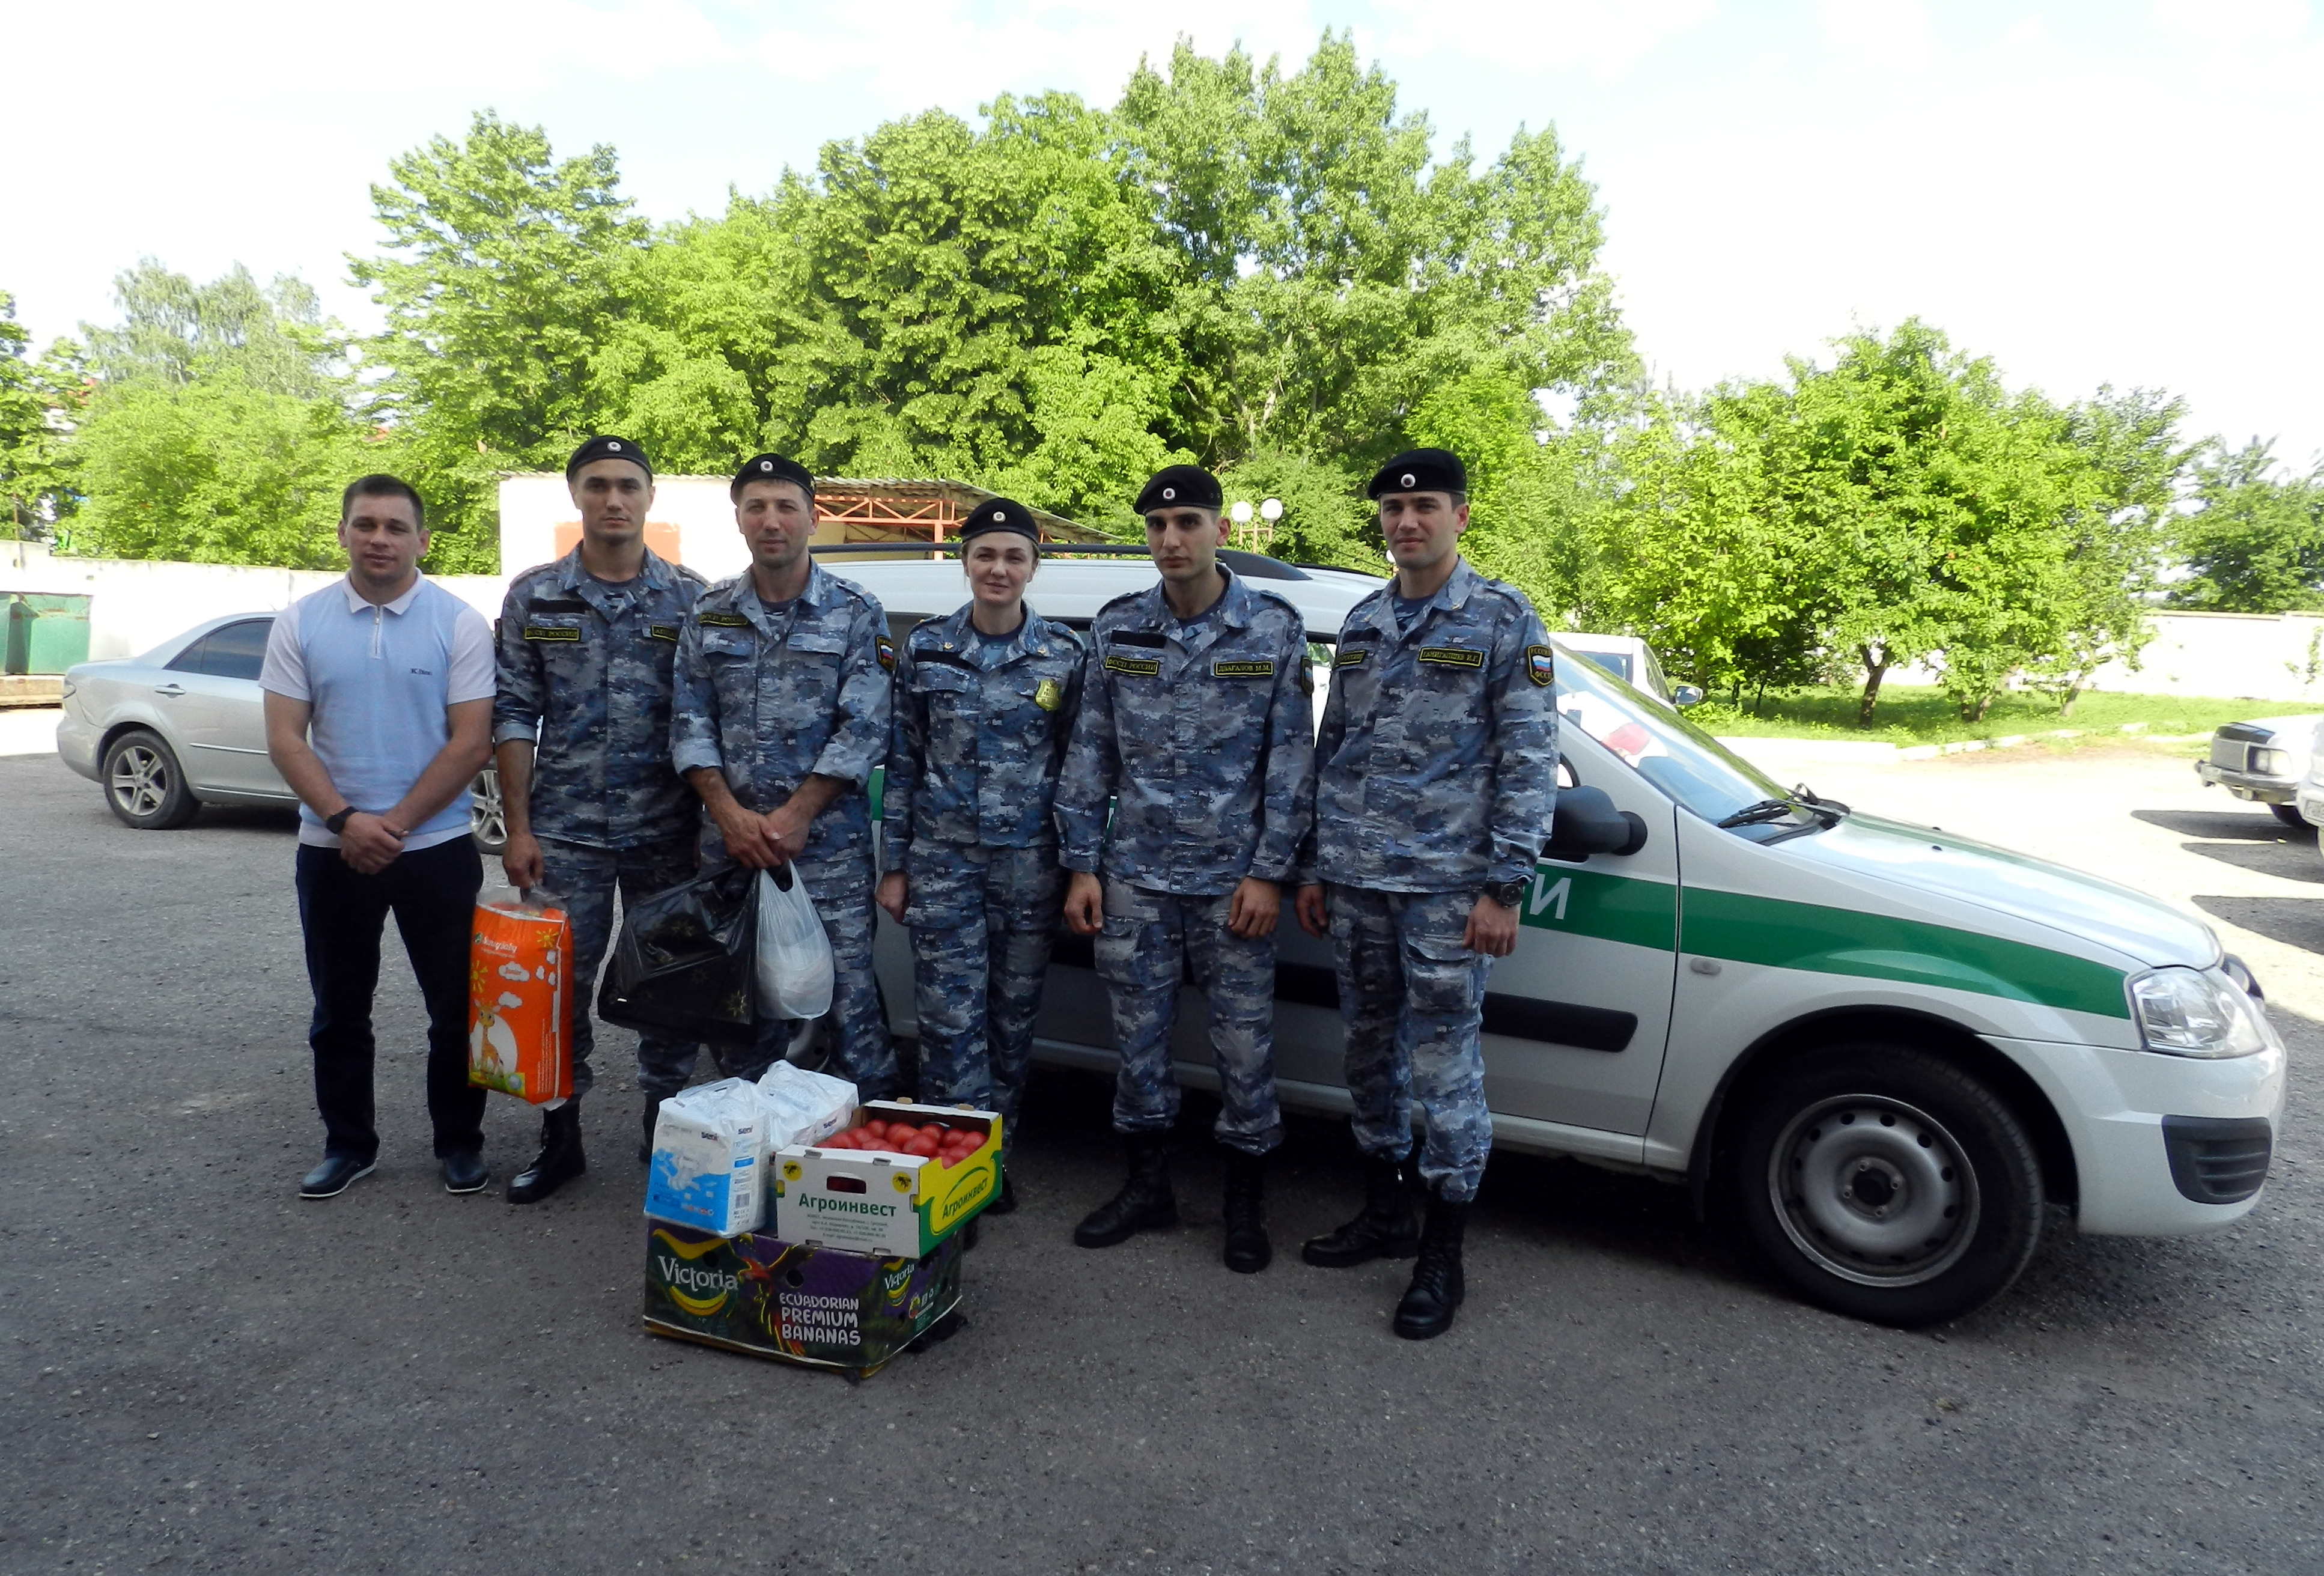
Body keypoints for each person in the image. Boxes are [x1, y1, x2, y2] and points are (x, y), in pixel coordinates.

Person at [1292, 448, 1560, 1340]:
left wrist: (1505, 886)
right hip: (1359, 882)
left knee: (1447, 1071)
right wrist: (1321, 868)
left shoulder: (1501, 616)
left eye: (1427, 505)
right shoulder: (1365, 620)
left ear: (1461, 517)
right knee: (1368, 1055)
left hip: (1450, 891)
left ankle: (1441, 1256)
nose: (1408, 520)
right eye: (1395, 507)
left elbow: (1528, 758)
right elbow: (1337, 750)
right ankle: (1384, 1212)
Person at [1056, 464, 1316, 1273]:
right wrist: (1080, 864)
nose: (1172, 539)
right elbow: (1089, 750)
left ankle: (1243, 1206)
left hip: (1234, 881)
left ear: (1221, 532)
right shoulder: (1117, 627)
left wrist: (1271, 871)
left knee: (1244, 1047)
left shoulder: (1273, 628)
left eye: (1190, 524)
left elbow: (1292, 760)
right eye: (1159, 527)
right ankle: (1148, 1187)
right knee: (1137, 1041)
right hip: (1133, 871)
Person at [261, 475, 497, 1199]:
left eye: (396, 527)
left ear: (423, 540)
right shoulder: (300, 623)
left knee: (457, 1010)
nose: (380, 539)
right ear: (343, 533)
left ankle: (459, 1141)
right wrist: (344, 820)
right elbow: (284, 736)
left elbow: (470, 742)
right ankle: (348, 1144)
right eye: (365, 525)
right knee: (339, 1009)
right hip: (331, 851)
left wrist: (389, 825)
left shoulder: (457, 623)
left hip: (436, 852)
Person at [491, 435, 708, 1197]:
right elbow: (515, 714)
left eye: (627, 486)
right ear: (576, 495)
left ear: (649, 498)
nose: (613, 499)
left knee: (670, 984)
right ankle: (560, 1136)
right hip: (565, 832)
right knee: (553, 989)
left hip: (667, 831)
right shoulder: (535, 596)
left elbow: (709, 715)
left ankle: (667, 1128)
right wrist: (517, 828)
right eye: (597, 486)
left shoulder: (692, 598)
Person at [875, 499, 1082, 1216]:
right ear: (965, 562)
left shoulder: (1063, 654)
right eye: (986, 555)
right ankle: (950, 1164)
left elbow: (1079, 768)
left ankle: (993, 1157)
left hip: (1030, 865)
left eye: (1014, 556)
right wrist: (894, 865)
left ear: (1033, 564)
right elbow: (901, 761)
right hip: (943, 864)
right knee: (946, 1019)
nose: (999, 568)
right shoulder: (927, 648)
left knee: (1011, 1017)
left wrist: (1079, 863)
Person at [670, 453, 899, 1099]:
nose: (772, 520)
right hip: (730, 850)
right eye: (757, 507)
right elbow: (689, 721)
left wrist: (796, 816)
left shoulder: (855, 611)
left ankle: (868, 1157)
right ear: (739, 519)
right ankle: (752, 1155)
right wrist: (727, 814)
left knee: (851, 1004)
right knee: (740, 1015)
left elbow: (865, 726)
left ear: (812, 518)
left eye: (786, 506)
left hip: (825, 850)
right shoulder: (710, 609)